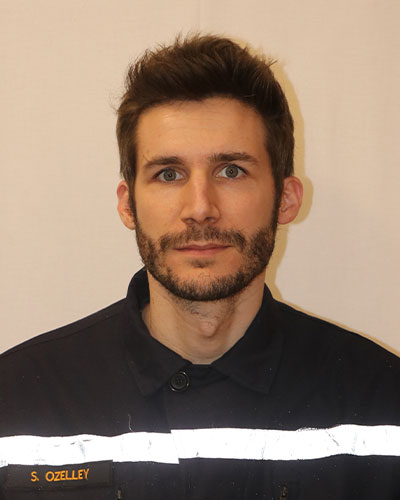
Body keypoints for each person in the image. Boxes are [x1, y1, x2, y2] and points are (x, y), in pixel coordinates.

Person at [0, 34, 399, 500]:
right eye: (168, 174)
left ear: (286, 199)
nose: (200, 208)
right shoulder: (18, 399)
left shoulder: (382, 401)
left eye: (231, 171)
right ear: (128, 204)